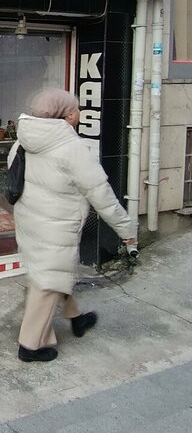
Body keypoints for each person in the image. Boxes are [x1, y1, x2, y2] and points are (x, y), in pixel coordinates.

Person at [11, 89, 137, 362]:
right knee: (47, 283)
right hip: (56, 226)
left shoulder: (24, 139)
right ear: (68, 115)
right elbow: (102, 196)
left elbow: (14, 175)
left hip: (29, 219)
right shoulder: (73, 148)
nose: (79, 112)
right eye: (76, 109)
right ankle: (29, 346)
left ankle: (75, 317)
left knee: (53, 271)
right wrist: (127, 231)